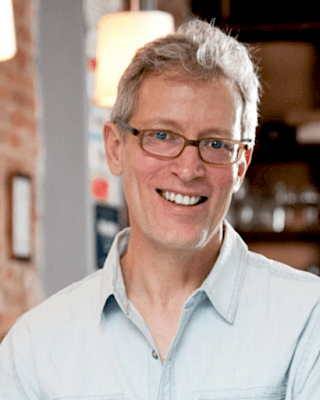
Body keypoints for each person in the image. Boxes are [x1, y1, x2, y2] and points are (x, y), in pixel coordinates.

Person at [1, 19, 320, 400]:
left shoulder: (308, 320)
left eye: (216, 144)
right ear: (116, 147)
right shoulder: (35, 348)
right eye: (162, 136)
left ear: (241, 165)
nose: (188, 169)